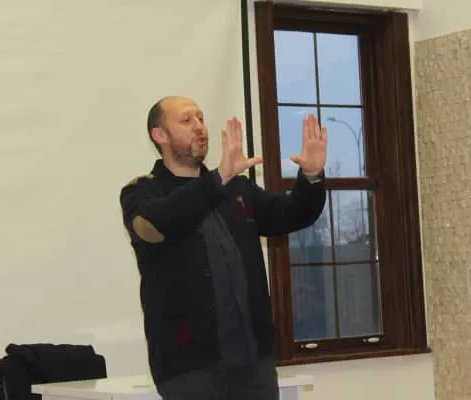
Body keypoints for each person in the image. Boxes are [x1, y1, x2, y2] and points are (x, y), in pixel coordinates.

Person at [119, 96, 327, 400]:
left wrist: (311, 176)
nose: (199, 127)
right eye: (186, 120)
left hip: (253, 363)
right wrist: (217, 180)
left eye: (201, 118)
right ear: (159, 134)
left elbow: (293, 214)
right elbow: (153, 225)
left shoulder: (236, 188)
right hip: (189, 367)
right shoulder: (142, 192)